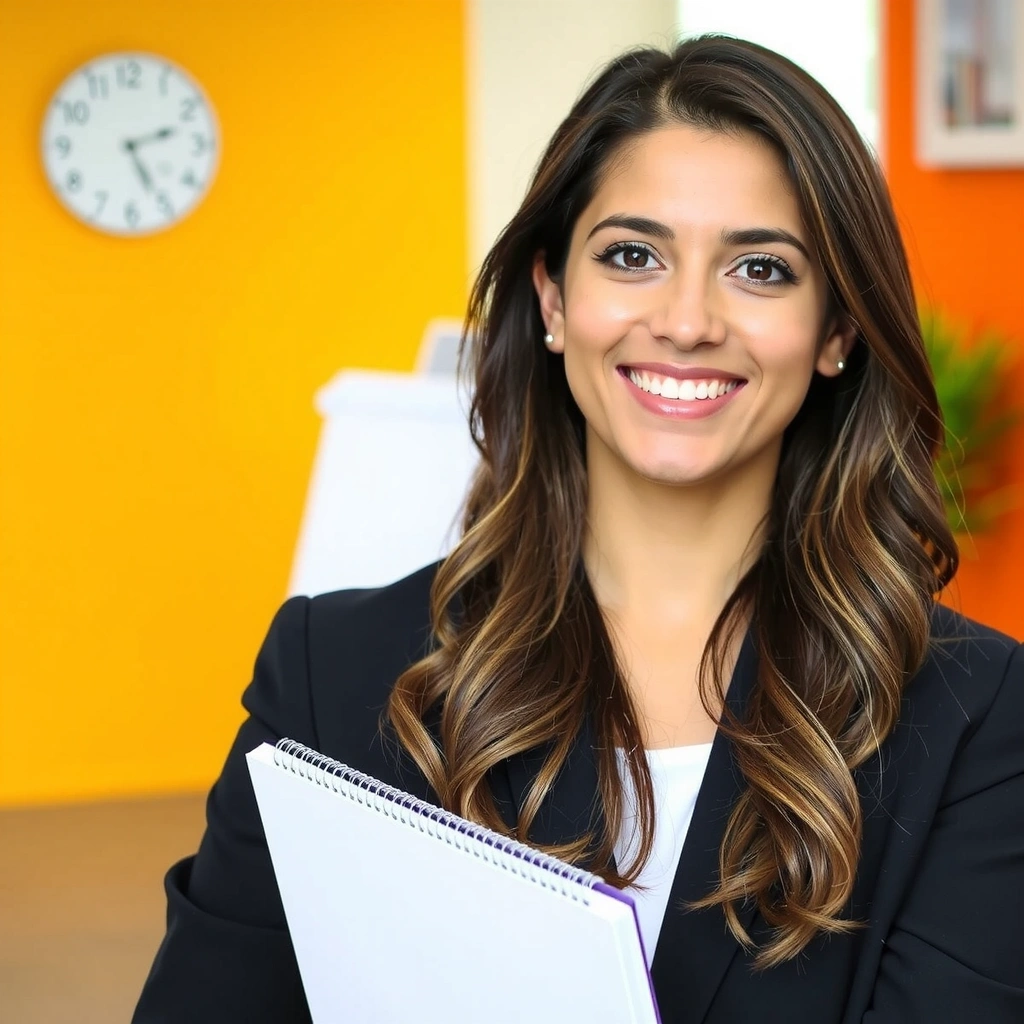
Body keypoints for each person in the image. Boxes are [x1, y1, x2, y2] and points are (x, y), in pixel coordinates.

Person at [133, 35, 1024, 1023]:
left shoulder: (976, 720)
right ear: (554, 299)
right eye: (632, 255)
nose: (686, 319)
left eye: (761, 269)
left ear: (836, 332)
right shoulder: (328, 672)